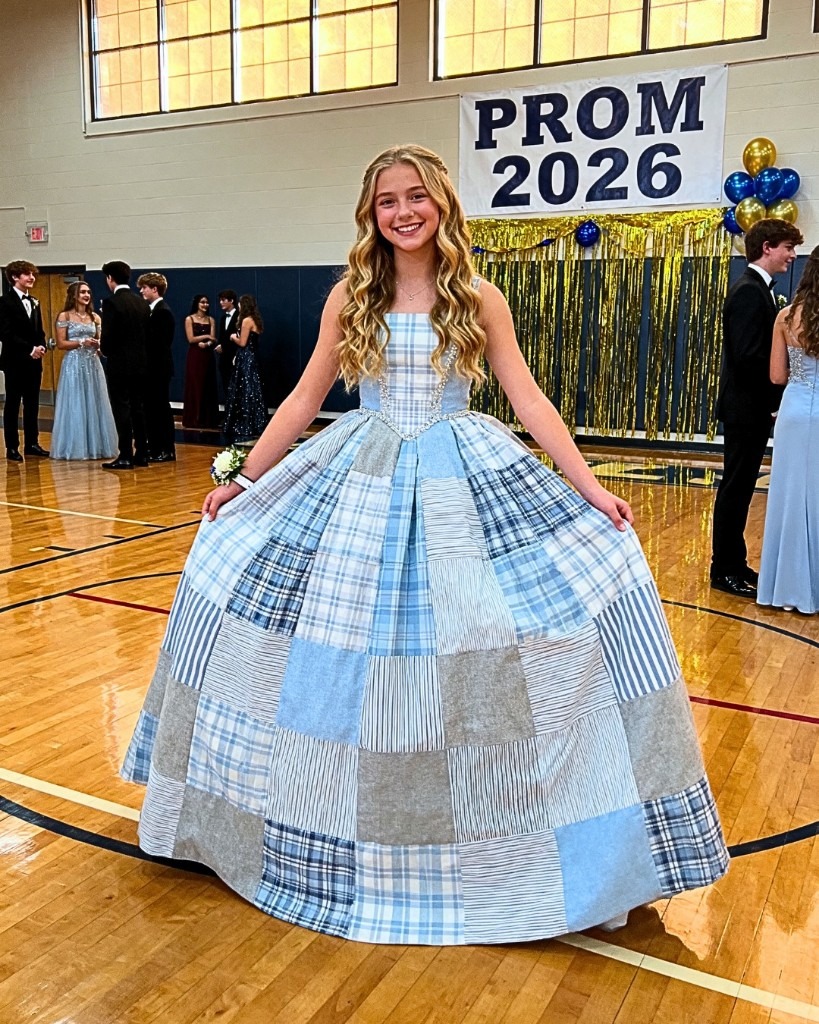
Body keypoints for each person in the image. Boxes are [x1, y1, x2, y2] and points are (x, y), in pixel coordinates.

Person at [122, 144, 727, 945]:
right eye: (387, 201)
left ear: (441, 204)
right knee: (331, 656)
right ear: (370, 214)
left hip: (459, 467)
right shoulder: (352, 295)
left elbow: (527, 398)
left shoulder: (477, 295)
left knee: (476, 649)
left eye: (415, 197)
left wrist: (588, 487)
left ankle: (506, 839)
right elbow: (303, 398)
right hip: (360, 467)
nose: (403, 212)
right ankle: (297, 822)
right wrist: (244, 478)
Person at [711, 218, 803, 597]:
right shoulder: (749, 292)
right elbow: (749, 357)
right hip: (745, 409)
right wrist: (775, 398)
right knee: (735, 489)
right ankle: (723, 569)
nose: (792, 256)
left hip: (750, 408)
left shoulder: (757, 290)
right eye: (787, 247)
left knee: (743, 488)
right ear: (767, 247)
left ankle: (735, 562)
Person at [757, 245, 819, 614]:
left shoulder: (785, 316)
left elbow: (777, 376)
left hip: (794, 410)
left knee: (790, 497)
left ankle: (785, 588)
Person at [51, 281, 117, 461]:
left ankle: (97, 445)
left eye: (88, 292)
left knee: (95, 401)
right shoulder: (65, 316)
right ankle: (75, 446)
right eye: (82, 292)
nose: (87, 295)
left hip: (92, 363)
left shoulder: (95, 317)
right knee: (76, 401)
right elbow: (61, 344)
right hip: (73, 363)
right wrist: (81, 342)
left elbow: (101, 343)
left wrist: (98, 345)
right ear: (74, 295)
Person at [100, 260, 150, 470]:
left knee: (121, 408)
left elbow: (108, 335)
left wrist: (105, 350)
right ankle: (142, 453)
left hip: (120, 364)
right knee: (138, 408)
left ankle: (125, 454)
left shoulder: (112, 302)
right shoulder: (142, 303)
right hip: (140, 363)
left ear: (110, 278)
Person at [0, 260, 48, 461]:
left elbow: (39, 330)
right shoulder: (4, 302)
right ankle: (12, 447)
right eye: (27, 274)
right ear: (14, 277)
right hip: (15, 361)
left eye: (33, 274)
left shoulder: (35, 301)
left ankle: (32, 443)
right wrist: (30, 349)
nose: (32, 278)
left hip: (34, 362)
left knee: (32, 403)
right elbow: (5, 333)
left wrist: (41, 346)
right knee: (12, 404)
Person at [137, 272, 176, 462]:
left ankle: (165, 449)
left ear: (155, 289)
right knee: (150, 409)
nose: (141, 291)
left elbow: (159, 344)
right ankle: (154, 447)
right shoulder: (151, 310)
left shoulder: (162, 312)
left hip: (158, 369)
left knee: (159, 409)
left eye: (144, 287)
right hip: (151, 369)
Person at [223, 293, 268, 443]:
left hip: (245, 357)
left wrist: (232, 337)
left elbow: (242, 342)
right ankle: (257, 422)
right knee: (253, 389)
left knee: (243, 390)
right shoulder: (256, 320)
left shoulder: (246, 321)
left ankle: (244, 423)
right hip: (253, 357)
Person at [182, 294, 219, 429]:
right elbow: (191, 339)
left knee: (207, 384)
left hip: (207, 355)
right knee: (195, 384)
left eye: (207, 302)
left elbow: (213, 339)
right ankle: (194, 418)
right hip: (195, 355)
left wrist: (207, 343)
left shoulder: (211, 320)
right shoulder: (189, 319)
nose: (205, 305)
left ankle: (207, 419)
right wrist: (206, 336)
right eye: (202, 302)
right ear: (197, 304)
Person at [215, 289, 239, 402]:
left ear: (231, 300)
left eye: (223, 300)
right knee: (226, 387)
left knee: (236, 388)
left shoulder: (239, 317)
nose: (221, 303)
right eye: (220, 300)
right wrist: (219, 346)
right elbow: (222, 337)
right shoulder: (223, 318)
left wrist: (224, 346)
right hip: (224, 359)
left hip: (235, 357)